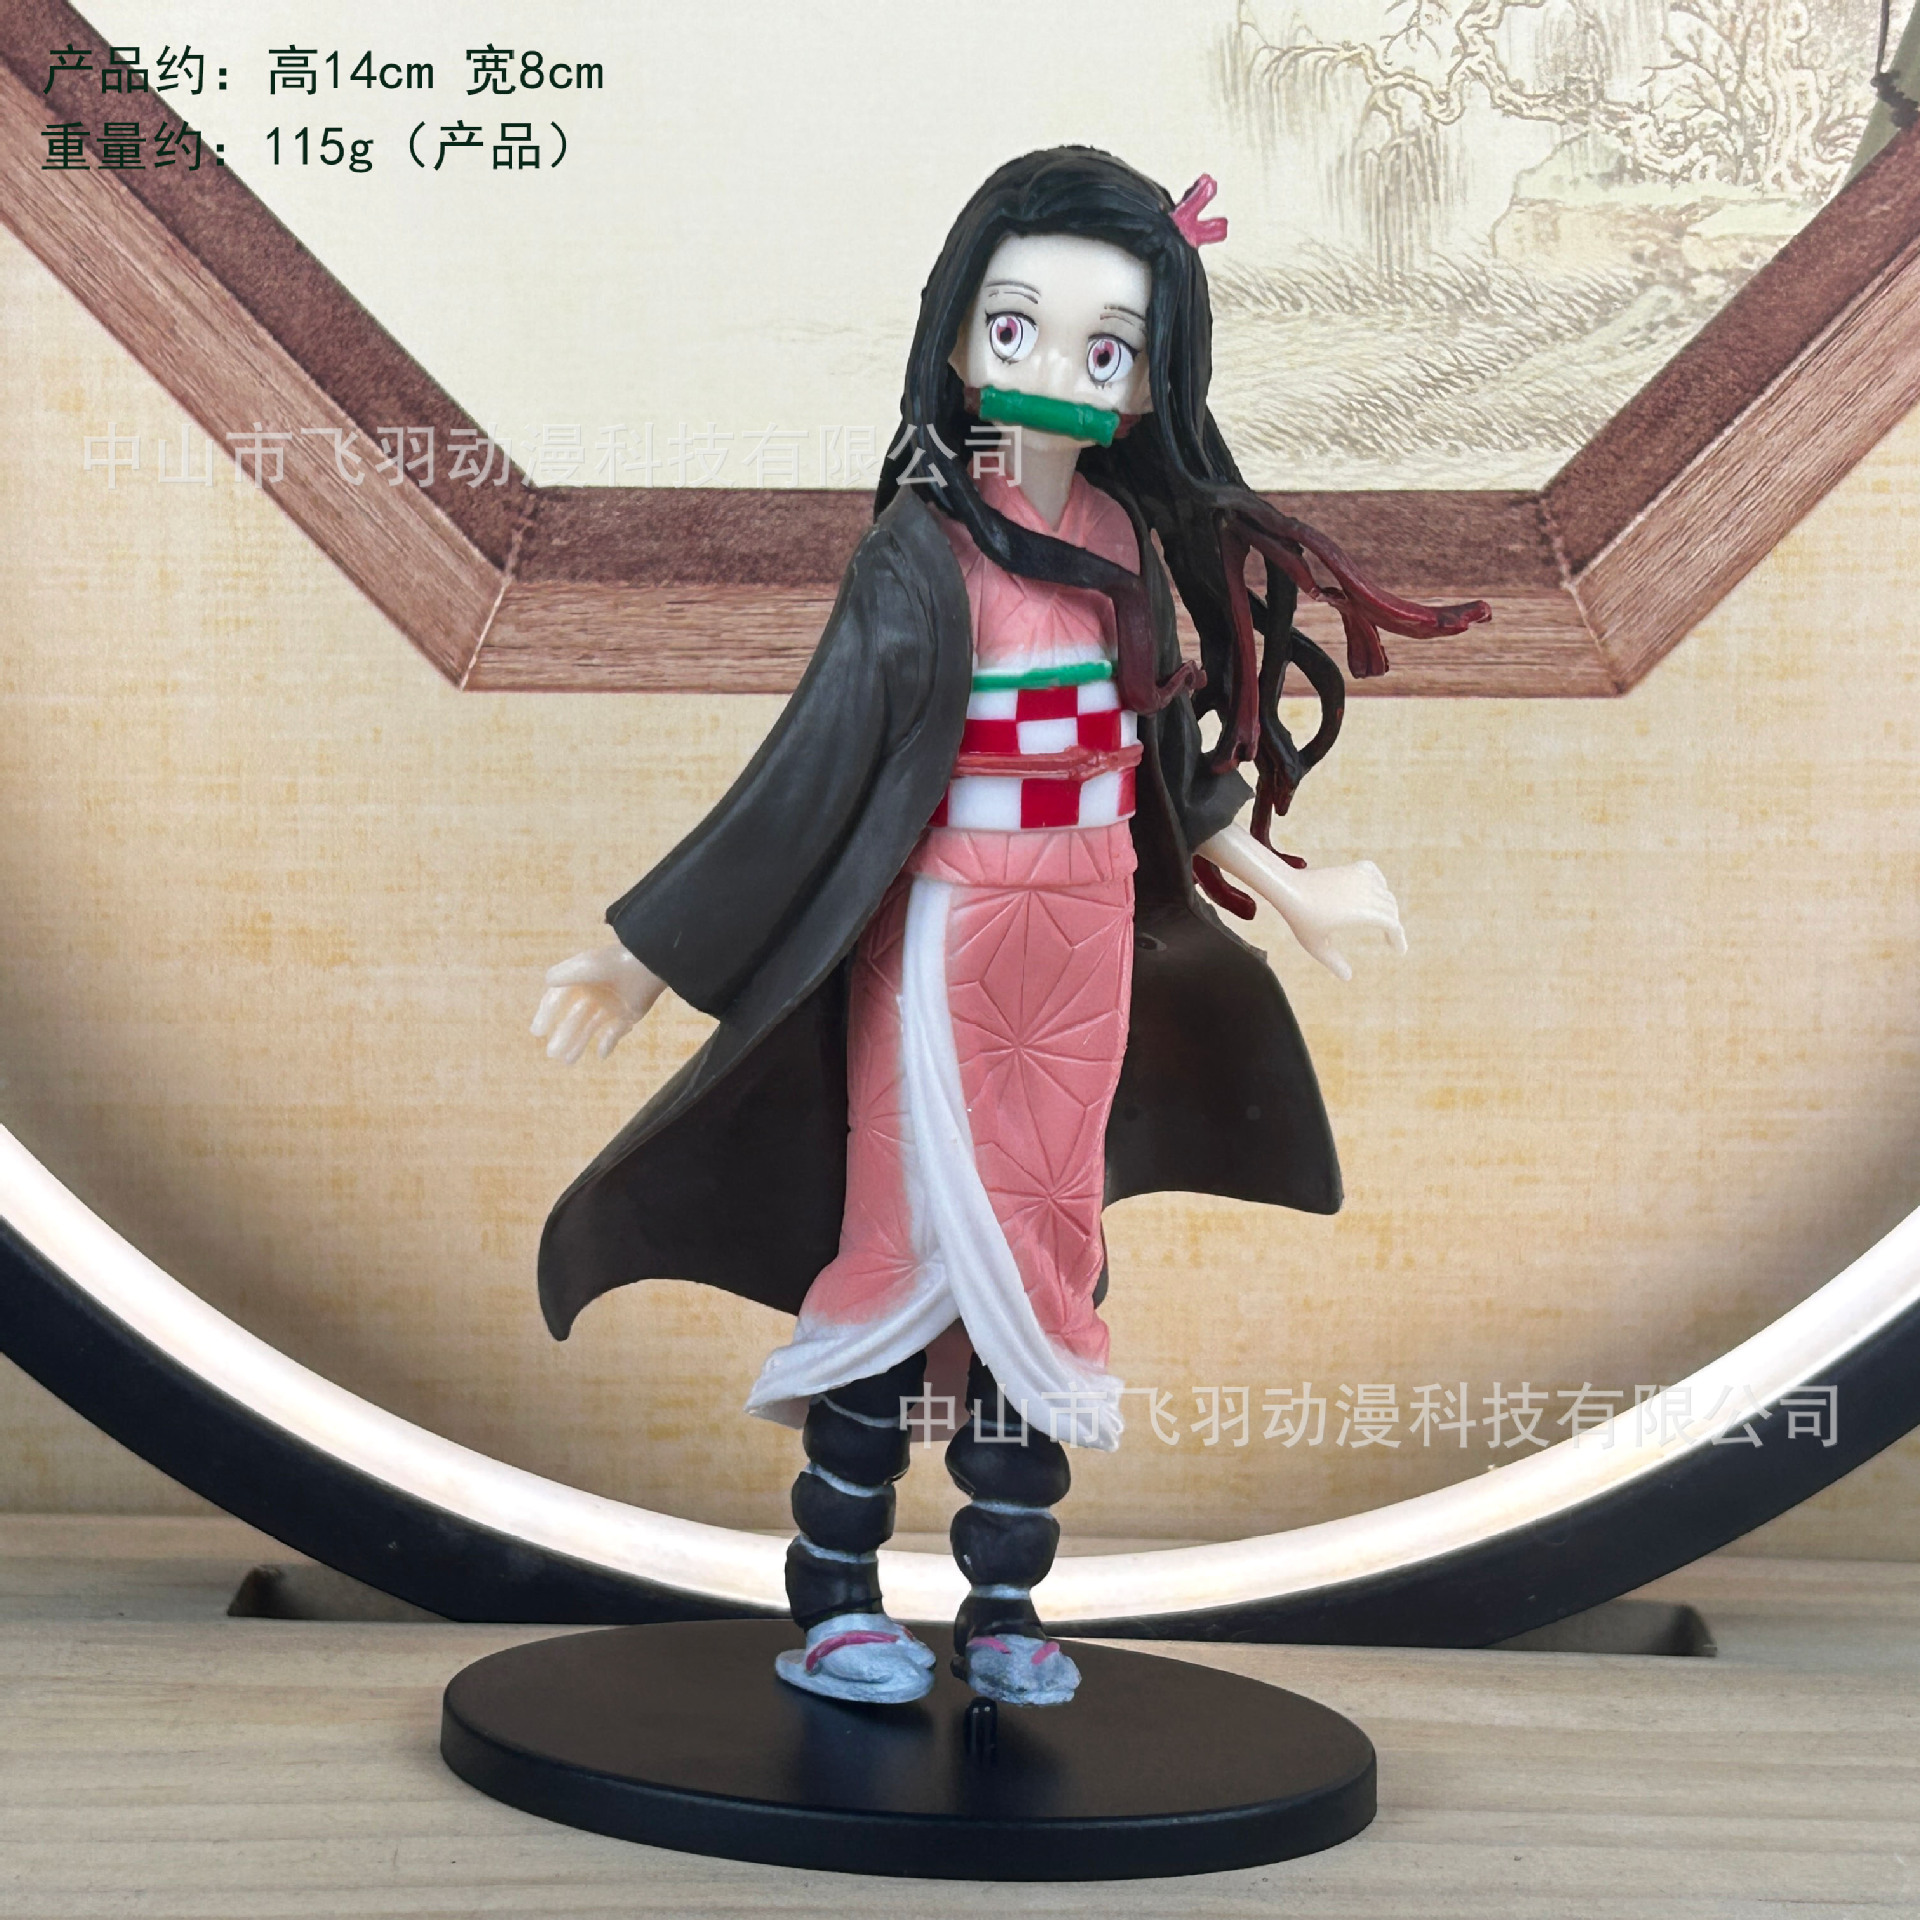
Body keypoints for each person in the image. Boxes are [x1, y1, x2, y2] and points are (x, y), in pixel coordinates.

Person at [531, 148, 1488, 1708]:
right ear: (962, 338)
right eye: (1017, 328)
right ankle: (839, 1598)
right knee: (903, 1244)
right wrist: (643, 954)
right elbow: (806, 770)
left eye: (1107, 351)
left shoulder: (1119, 543)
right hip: (947, 932)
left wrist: (1293, 886)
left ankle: (1003, 1608)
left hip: (1086, 930)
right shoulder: (922, 552)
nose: (1053, 371)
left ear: (1150, 382)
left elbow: (1167, 762)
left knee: (1049, 1256)